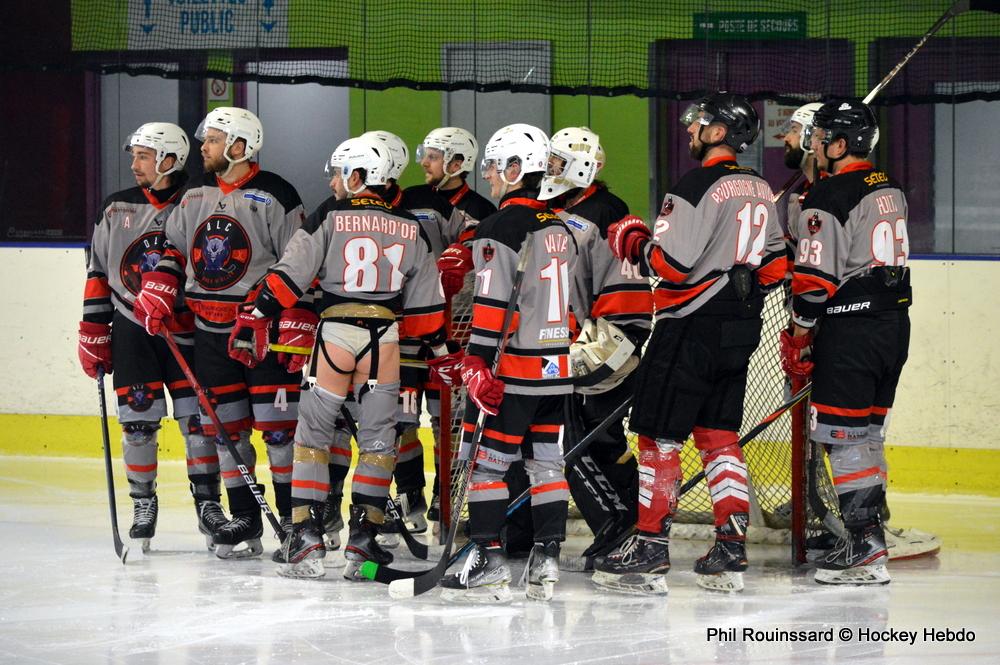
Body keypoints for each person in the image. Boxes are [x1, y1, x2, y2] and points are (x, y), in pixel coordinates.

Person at [596, 93, 786, 594]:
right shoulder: (762, 188)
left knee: (660, 437)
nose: (689, 131)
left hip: (689, 326)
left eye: (698, 124)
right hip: (742, 326)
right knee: (719, 436)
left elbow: (671, 266)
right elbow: (776, 266)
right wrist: (734, 279)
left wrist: (634, 240)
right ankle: (730, 547)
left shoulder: (696, 185)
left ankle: (651, 547)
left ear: (719, 132)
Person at [255, 135, 459, 580]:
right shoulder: (410, 224)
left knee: (314, 436)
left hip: (336, 331)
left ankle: (305, 537)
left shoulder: (330, 214)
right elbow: (426, 312)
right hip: (385, 336)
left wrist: (257, 312)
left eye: (339, 172)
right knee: (379, 440)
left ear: (359, 175)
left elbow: (290, 274)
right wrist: (443, 353)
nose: (333, 181)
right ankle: (363, 540)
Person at [133, 107, 311, 559]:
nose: (204, 148)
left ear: (239, 146)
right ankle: (246, 520)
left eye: (212, 140)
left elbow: (300, 262)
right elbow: (173, 249)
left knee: (279, 433)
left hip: (262, 331)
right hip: (210, 332)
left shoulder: (277, 194)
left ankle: (294, 523)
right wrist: (158, 286)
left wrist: (295, 322)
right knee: (226, 432)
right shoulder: (194, 194)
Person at [780, 103, 939, 564]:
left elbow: (813, 283)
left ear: (840, 145)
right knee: (868, 434)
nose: (813, 143)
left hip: (851, 331)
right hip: (893, 327)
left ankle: (863, 543)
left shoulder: (827, 199)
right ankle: (870, 531)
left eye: (820, 136)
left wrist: (799, 336)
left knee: (842, 438)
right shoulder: (888, 186)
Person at [439, 123, 577, 603]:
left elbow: (494, 303)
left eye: (495, 167)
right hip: (556, 370)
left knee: (486, 468)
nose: (491, 177)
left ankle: (489, 560)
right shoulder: (561, 226)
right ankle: (547, 561)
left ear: (517, 169)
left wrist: (476, 361)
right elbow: (569, 308)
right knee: (546, 465)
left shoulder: (499, 227)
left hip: (514, 370)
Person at [79, 122, 226, 552]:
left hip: (187, 328)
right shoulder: (116, 207)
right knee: (138, 422)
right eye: (135, 155)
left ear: (169, 159)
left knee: (198, 423)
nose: (135, 164)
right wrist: (94, 329)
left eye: (144, 155)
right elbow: (99, 273)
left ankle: (208, 503)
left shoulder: (197, 200)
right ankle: (143, 502)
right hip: (132, 329)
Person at [535, 126, 652, 567]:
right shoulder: (558, 210)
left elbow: (623, 285)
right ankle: (628, 522)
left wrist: (615, 337)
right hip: (569, 341)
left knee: (574, 438)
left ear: (584, 166)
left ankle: (618, 522)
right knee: (597, 438)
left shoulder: (605, 211)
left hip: (596, 342)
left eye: (558, 163)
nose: (551, 172)